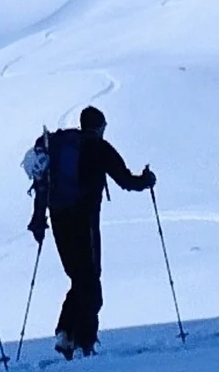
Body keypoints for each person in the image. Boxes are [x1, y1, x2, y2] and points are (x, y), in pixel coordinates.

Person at [26, 106, 157, 358]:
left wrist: (38, 219)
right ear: (98, 126)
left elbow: (44, 183)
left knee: (79, 278)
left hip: (59, 219)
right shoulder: (98, 147)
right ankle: (82, 340)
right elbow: (125, 180)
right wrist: (146, 180)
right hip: (84, 219)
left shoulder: (61, 145)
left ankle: (67, 334)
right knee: (91, 280)